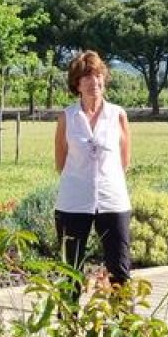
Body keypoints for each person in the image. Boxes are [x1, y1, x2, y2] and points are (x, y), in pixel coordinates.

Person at [53, 50, 132, 297]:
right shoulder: (67, 117)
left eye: (97, 76)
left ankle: (124, 332)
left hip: (113, 201)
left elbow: (124, 160)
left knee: (119, 270)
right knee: (71, 271)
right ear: (77, 83)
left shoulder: (117, 114)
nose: (93, 82)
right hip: (73, 202)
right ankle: (68, 328)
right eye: (86, 77)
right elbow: (60, 161)